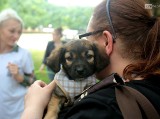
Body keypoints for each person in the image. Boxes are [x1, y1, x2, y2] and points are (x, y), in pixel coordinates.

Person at [21, 0, 160, 118]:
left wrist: (32, 109)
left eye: (87, 37)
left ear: (107, 41)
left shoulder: (97, 109)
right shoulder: (153, 84)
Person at [0, 9, 36, 119]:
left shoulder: (23, 54)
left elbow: (34, 83)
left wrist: (19, 77)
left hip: (16, 112)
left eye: (19, 32)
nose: (16, 36)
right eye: (12, 31)